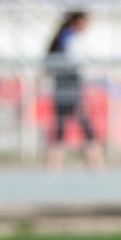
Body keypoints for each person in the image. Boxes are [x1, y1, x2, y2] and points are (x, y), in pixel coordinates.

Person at [44, 10, 102, 171]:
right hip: (70, 84)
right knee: (82, 124)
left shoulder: (61, 38)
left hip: (63, 85)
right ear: (77, 21)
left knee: (62, 124)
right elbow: (76, 63)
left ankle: (53, 166)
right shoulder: (71, 38)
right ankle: (95, 165)